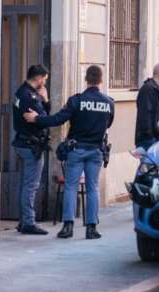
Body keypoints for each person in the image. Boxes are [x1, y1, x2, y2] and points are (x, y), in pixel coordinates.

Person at [24, 65, 114, 239]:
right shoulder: (109, 103)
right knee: (93, 188)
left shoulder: (76, 100)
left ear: (86, 79)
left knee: (71, 187)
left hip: (76, 149)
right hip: (96, 150)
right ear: (101, 80)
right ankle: (91, 228)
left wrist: (37, 119)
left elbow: (58, 119)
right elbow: (108, 124)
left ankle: (68, 227)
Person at [12, 65, 51, 235]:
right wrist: (46, 100)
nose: (45, 83)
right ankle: (28, 222)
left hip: (22, 143)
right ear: (39, 77)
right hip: (31, 145)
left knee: (24, 185)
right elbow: (43, 120)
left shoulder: (20, 92)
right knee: (31, 186)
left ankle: (23, 221)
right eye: (45, 79)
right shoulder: (30, 97)